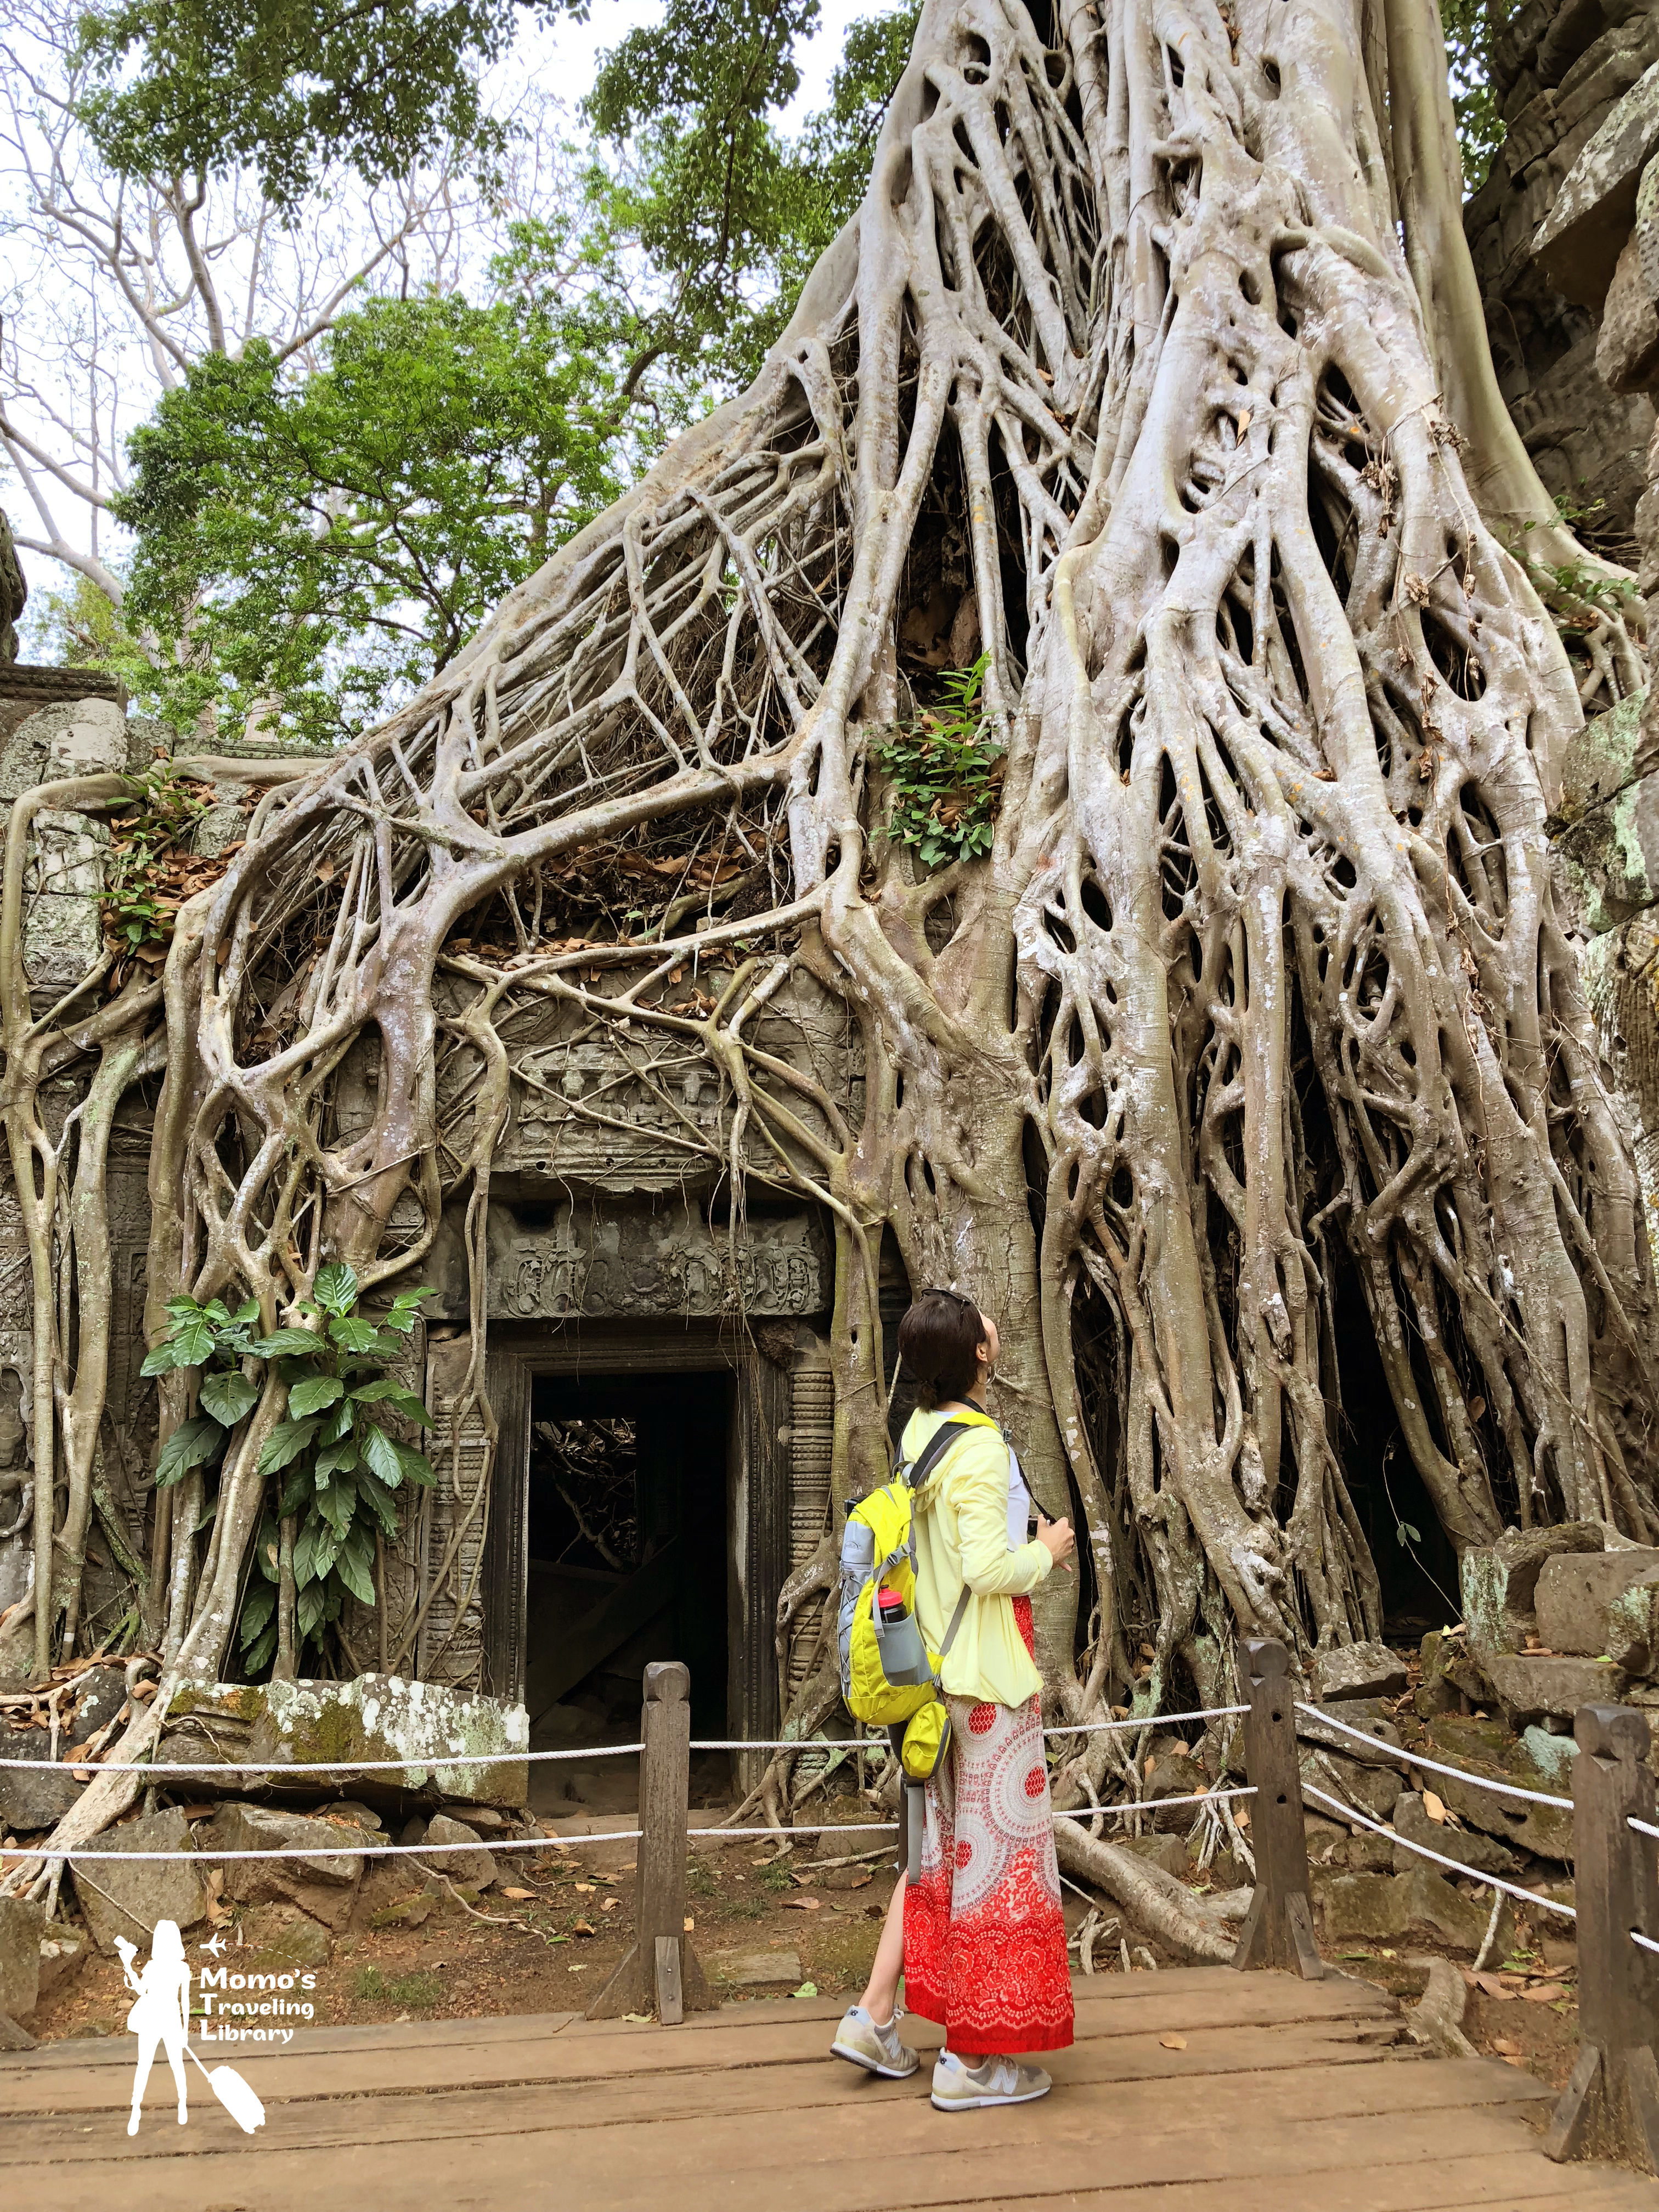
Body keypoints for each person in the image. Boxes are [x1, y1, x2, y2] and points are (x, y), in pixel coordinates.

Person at [831, 1287, 1076, 2110]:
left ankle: (873, 2014)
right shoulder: (977, 1450)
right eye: (981, 1323)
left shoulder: (922, 1434)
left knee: (940, 1858)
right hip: (988, 1688)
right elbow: (986, 1570)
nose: (994, 1324)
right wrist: (1043, 1551)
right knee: (999, 1871)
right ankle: (972, 2062)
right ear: (976, 1352)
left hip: (935, 1682)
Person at [121, 1918, 192, 2134]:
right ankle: (136, 2108)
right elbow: (142, 1990)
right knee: (144, 2064)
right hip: (152, 2017)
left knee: (176, 2063)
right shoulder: (152, 1967)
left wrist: (185, 2031)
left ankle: (182, 2102)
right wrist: (129, 1968)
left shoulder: (182, 1968)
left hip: (171, 2017)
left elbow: (186, 2000)